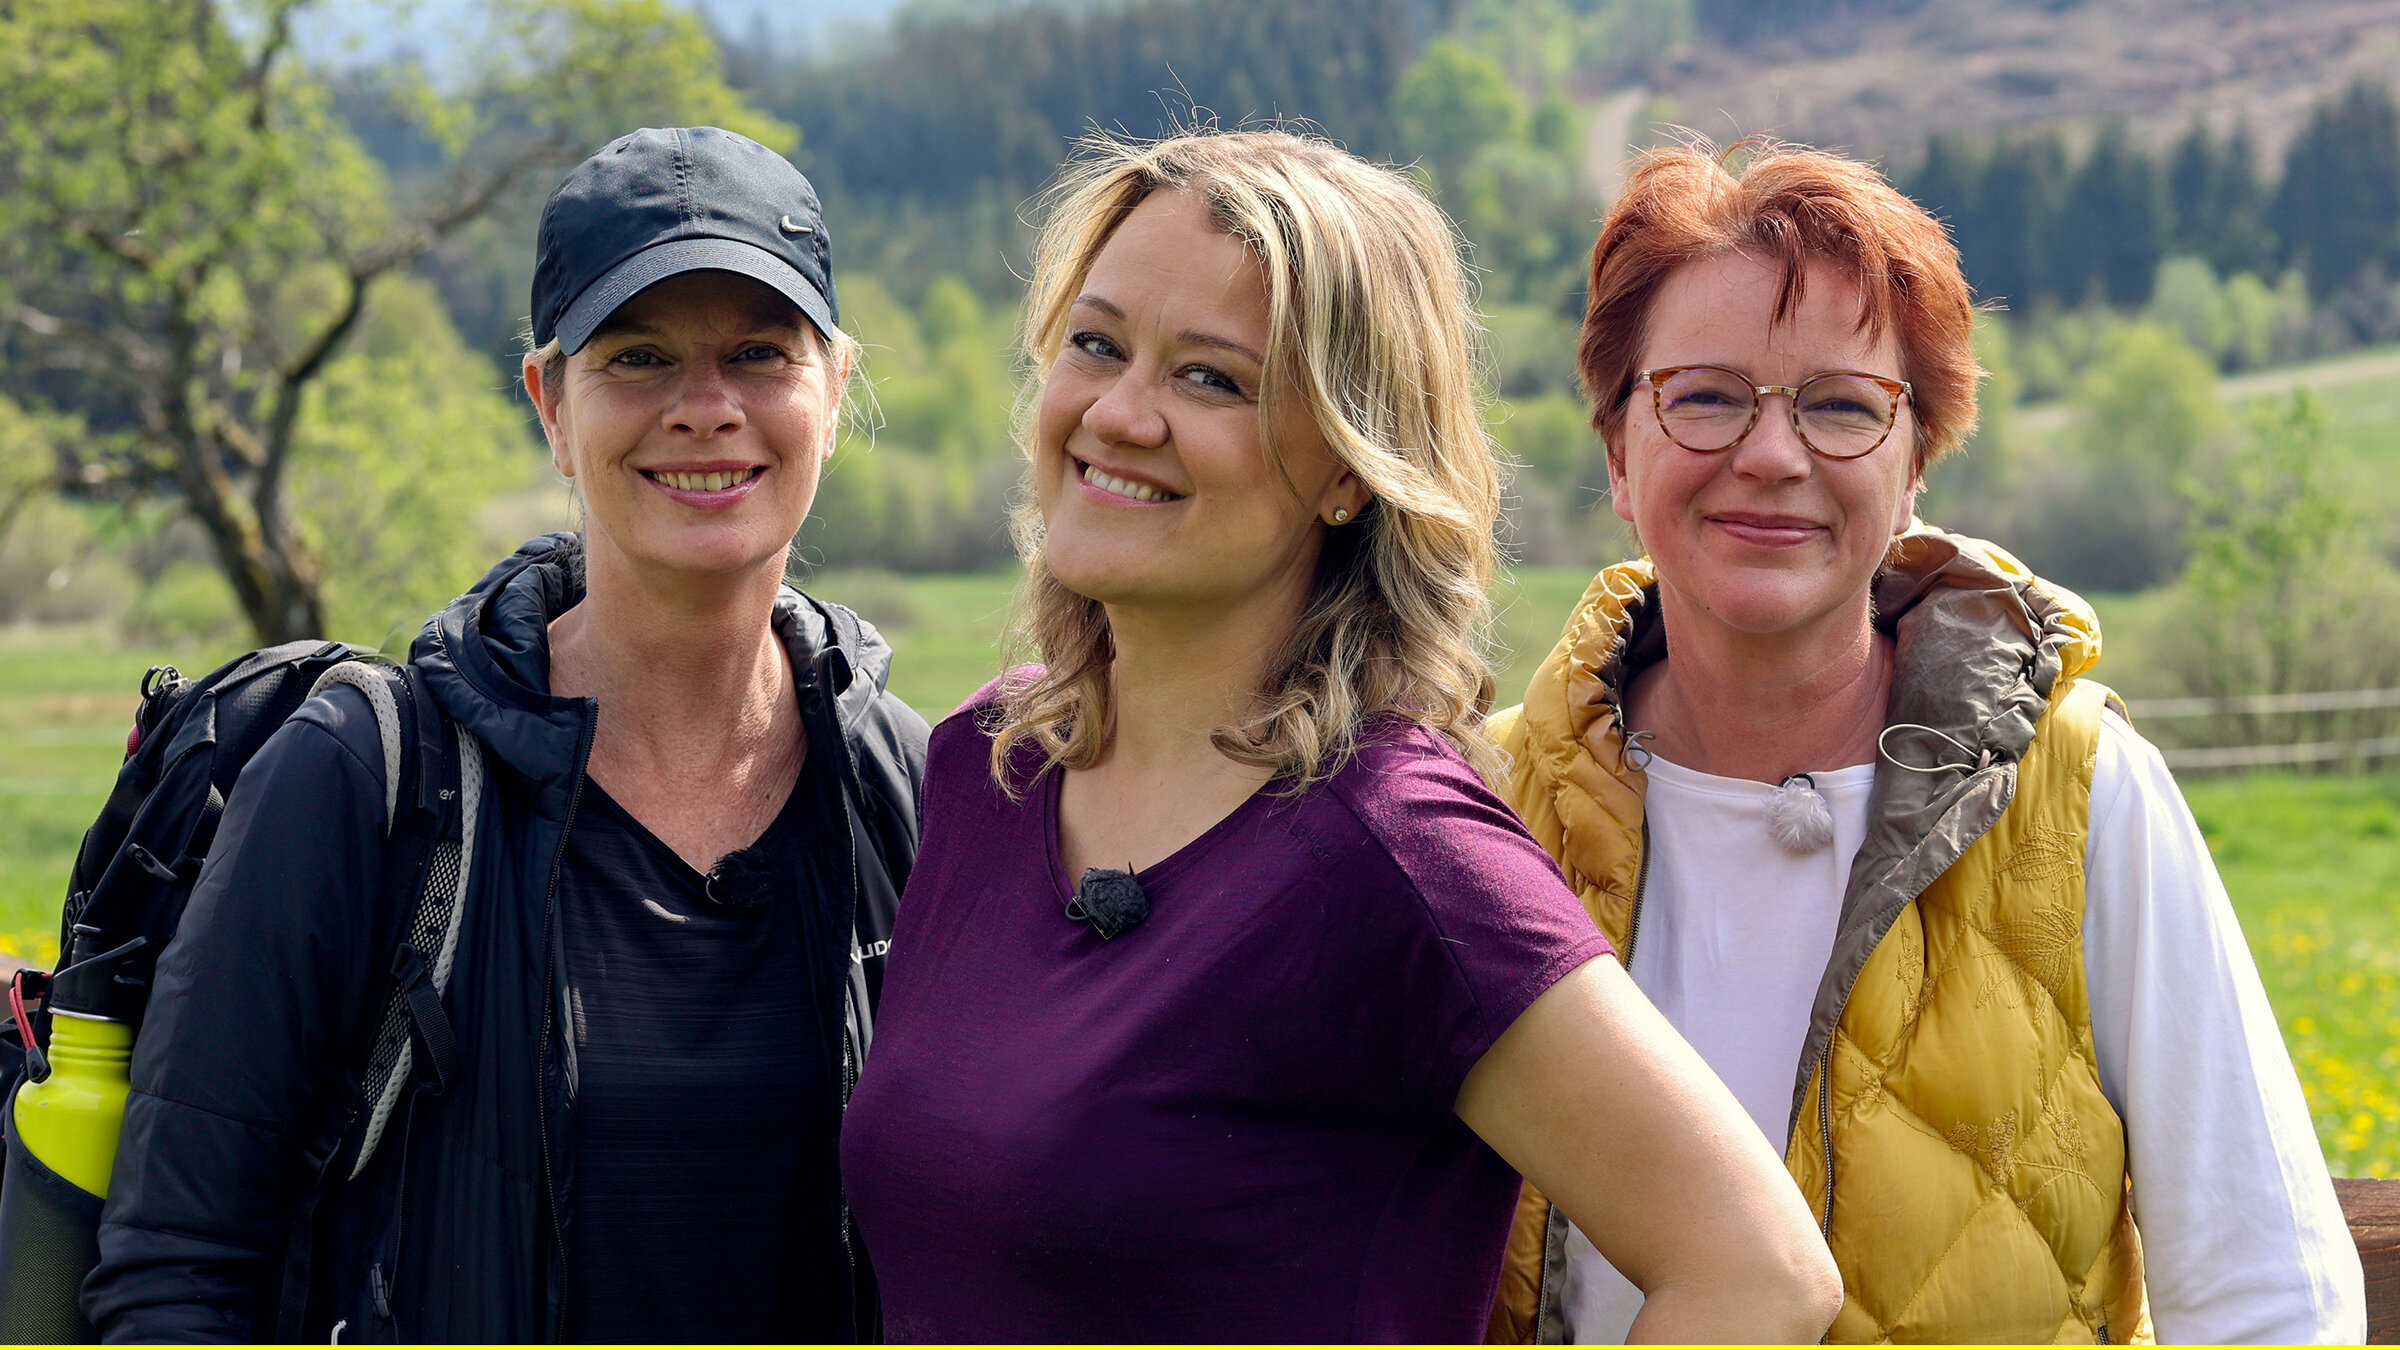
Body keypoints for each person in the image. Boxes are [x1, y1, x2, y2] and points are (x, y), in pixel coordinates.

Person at [837, 129, 1843, 1344]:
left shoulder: (1397, 852)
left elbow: (1758, 1269)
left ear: (1350, 468)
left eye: (1210, 378)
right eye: (1097, 345)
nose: (1118, 413)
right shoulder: (985, 765)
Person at [1483, 137, 2367, 1344]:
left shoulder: (2081, 792)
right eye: (1705, 395)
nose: (1773, 454)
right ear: (1618, 453)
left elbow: (2268, 1288)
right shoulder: (1481, 806)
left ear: (1913, 475)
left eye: (1844, 406)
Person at [83, 126, 926, 1341]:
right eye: (637, 357)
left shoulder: (910, 786)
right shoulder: (369, 781)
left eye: (759, 353)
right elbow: (175, 1269)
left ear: (834, 392)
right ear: (551, 403)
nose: (706, 409)